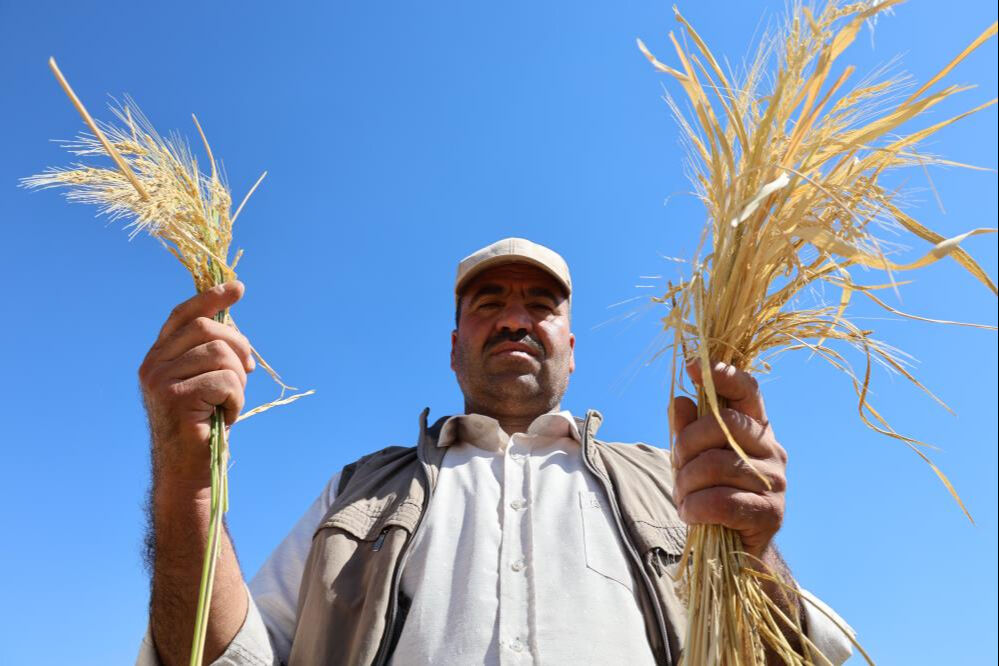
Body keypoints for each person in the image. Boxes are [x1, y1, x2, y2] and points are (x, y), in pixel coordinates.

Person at [136, 238, 853, 665]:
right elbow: (223, 656)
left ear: (571, 350)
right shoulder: (356, 495)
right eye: (487, 304)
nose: (515, 318)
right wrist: (187, 482)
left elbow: (788, 654)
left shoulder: (674, 483)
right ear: (454, 349)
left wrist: (754, 550)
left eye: (541, 306)